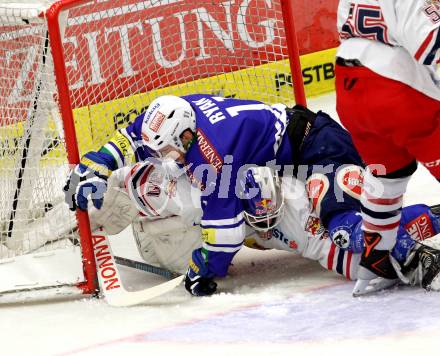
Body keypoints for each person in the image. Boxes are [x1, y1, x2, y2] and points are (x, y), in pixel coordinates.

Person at [64, 95, 368, 296]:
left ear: (186, 136)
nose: (165, 157)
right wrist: (100, 161)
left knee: (340, 222)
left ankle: (389, 234)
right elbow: (132, 136)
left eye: (168, 150)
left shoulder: (213, 157)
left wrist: (204, 267)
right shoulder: (176, 116)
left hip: (319, 147)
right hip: (288, 154)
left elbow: (226, 238)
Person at [88, 161, 440, 293]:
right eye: (257, 215)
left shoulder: (306, 193)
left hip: (322, 224)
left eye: (266, 213)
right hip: (159, 216)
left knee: (357, 240)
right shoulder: (229, 195)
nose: (264, 218)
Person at [335, 0, 440, 295]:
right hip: (395, 91)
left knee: (388, 174)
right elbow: (432, 44)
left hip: (349, 91)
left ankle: (376, 257)